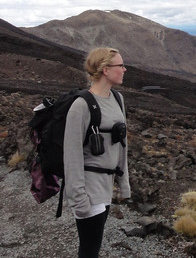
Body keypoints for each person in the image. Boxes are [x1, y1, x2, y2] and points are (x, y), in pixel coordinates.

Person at [63, 47, 131, 258]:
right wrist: (78, 198)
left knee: (94, 246)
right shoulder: (81, 106)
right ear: (105, 70)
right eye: (120, 65)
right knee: (89, 250)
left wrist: (124, 184)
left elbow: (122, 145)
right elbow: (71, 155)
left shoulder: (118, 99)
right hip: (89, 189)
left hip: (106, 186)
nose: (124, 69)